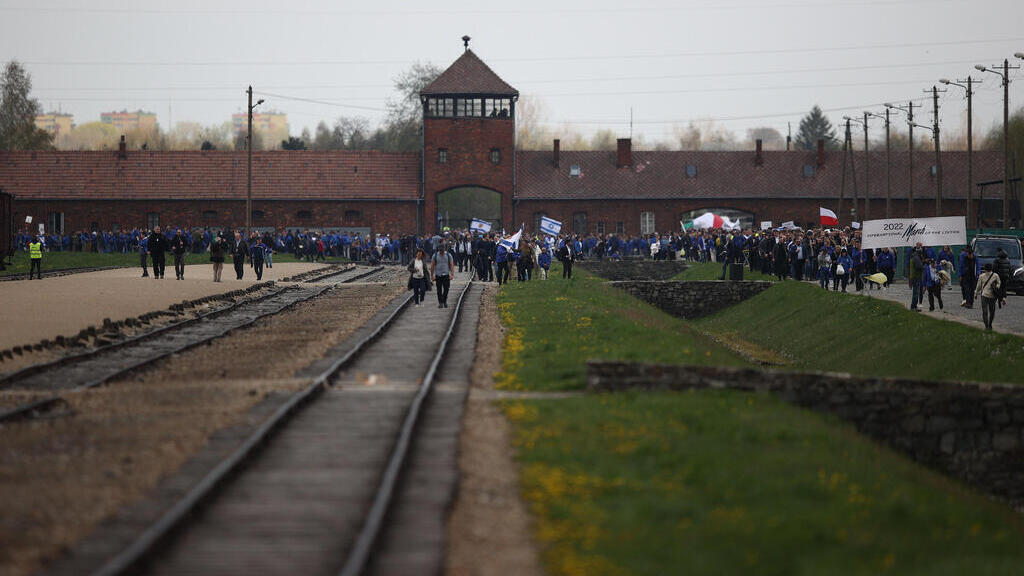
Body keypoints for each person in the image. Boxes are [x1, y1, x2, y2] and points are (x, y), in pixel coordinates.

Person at [976, 262, 1002, 331]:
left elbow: (978, 286)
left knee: (985, 312)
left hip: (984, 295)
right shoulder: (995, 275)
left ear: (985, 269)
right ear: (991, 268)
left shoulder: (981, 276)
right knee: (992, 311)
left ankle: (986, 326)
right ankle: (989, 324)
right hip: (993, 296)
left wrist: (975, 294)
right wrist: (996, 287)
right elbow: (999, 282)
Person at [430, 242, 455, 308]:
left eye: (442, 250)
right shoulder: (435, 255)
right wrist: (432, 275)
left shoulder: (448, 255)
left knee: (446, 289)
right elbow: (432, 265)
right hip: (438, 275)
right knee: (439, 290)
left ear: (444, 249)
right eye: (440, 250)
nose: (441, 251)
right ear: (438, 249)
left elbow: (451, 264)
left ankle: (444, 301)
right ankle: (440, 302)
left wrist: (452, 274)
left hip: (446, 275)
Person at [908, 244, 925, 311]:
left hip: (915, 276)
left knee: (915, 292)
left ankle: (914, 306)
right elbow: (919, 266)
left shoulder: (914, 256)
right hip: (916, 277)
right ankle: (913, 307)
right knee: (916, 293)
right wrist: (924, 265)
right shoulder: (916, 257)